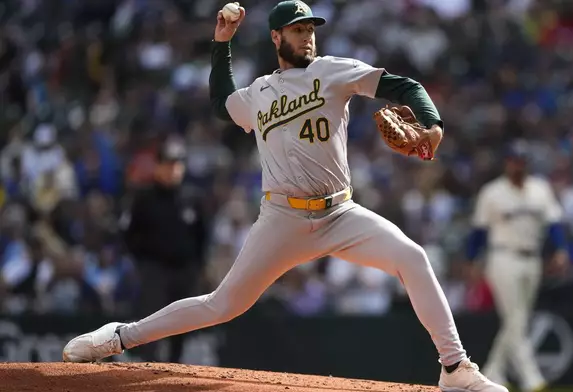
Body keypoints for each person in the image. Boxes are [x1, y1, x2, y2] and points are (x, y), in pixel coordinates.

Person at [63, 2, 507, 391]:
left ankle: (455, 368)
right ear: (277, 36)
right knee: (223, 305)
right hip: (282, 219)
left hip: (340, 213)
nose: (307, 37)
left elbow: (405, 87)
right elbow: (222, 104)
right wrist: (222, 43)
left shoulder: (333, 71)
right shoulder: (260, 92)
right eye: (298, 30)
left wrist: (432, 125)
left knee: (413, 258)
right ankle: (121, 336)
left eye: (311, 29)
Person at [466, 140, 569, 392]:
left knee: (517, 320)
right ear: (506, 163)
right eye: (514, 160)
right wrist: (471, 261)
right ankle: (532, 379)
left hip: (532, 259)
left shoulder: (539, 189)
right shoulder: (492, 192)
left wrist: (561, 249)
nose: (518, 165)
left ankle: (492, 372)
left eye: (522, 161)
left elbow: (554, 223)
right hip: (503, 258)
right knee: (515, 318)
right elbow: (479, 232)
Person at [118, 137, 208, 362]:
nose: (173, 170)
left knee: (183, 321)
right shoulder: (144, 197)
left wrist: (197, 266)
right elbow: (129, 234)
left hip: (184, 270)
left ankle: (175, 370)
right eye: (168, 164)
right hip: (155, 269)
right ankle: (150, 366)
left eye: (177, 164)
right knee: (151, 320)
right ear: (157, 166)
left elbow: (203, 235)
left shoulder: (192, 197)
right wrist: (143, 263)